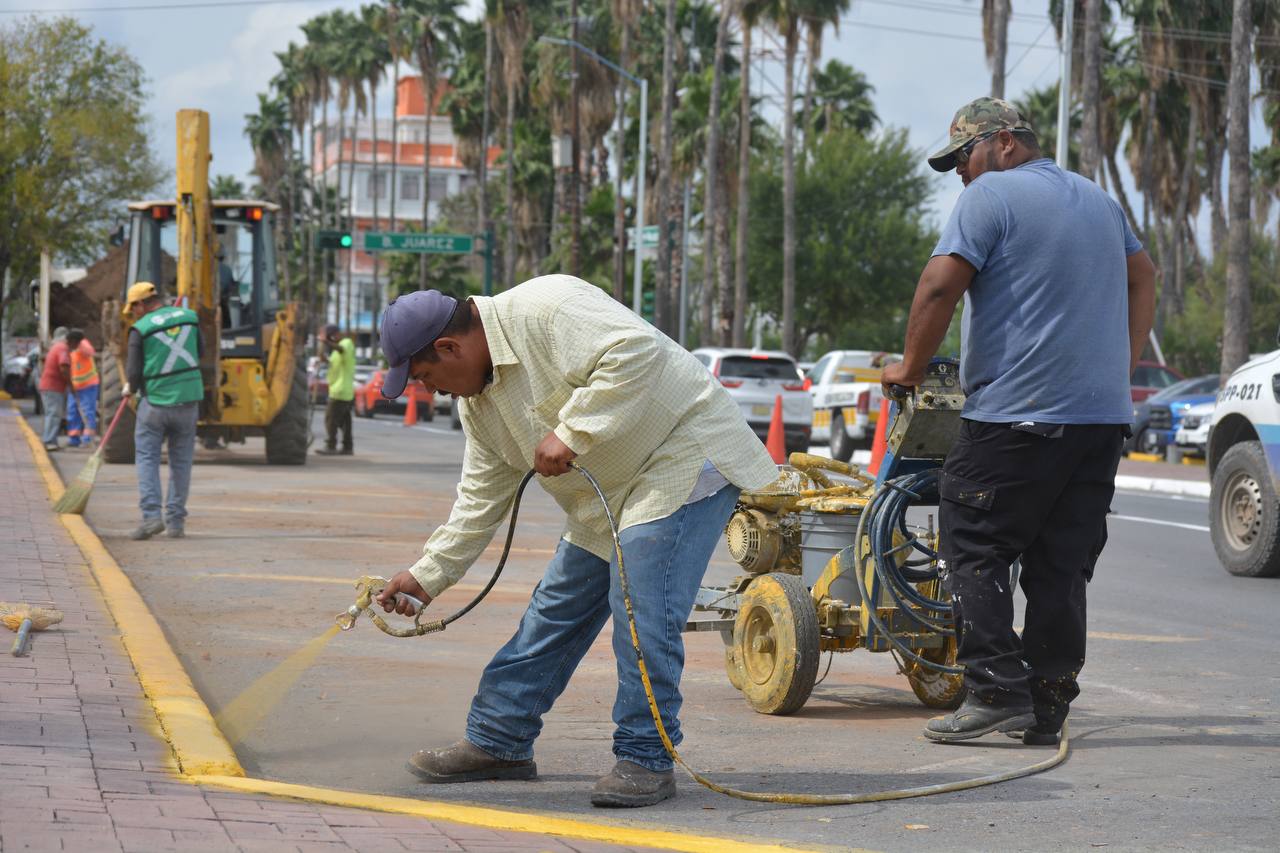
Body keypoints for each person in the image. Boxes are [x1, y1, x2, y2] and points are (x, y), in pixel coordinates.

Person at [373, 278, 778, 807]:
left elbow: (636, 350)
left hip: (682, 455)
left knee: (639, 604)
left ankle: (645, 757)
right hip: (608, 491)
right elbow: (479, 499)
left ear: (450, 348)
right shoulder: (478, 406)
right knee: (554, 611)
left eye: (426, 377)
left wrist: (573, 432)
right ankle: (500, 741)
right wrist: (428, 574)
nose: (431, 392)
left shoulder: (547, 306)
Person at [880, 97, 1157, 746]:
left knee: (972, 540)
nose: (961, 176)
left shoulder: (992, 196)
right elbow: (1145, 277)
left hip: (1015, 418)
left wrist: (910, 369)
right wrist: (1125, 363)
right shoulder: (1099, 201)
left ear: (1004, 143)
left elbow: (939, 287)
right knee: (1062, 565)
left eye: (964, 159)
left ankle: (996, 690)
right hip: (1098, 422)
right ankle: (1047, 701)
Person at [123, 282, 204, 540]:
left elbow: (134, 371)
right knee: (181, 462)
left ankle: (151, 518)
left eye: (133, 308)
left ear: (140, 304)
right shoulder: (189, 318)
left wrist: (129, 388)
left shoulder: (141, 329)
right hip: (188, 402)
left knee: (147, 458)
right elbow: (200, 352)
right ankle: (176, 522)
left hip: (156, 402)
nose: (133, 314)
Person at [36, 328, 79, 451]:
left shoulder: (57, 347)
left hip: (51, 387)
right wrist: (71, 386)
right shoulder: (62, 349)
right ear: (71, 341)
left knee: (53, 414)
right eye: (76, 344)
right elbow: (64, 368)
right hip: (52, 387)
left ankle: (51, 440)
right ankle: (49, 441)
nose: (76, 347)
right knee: (54, 414)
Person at [316, 324, 356, 456]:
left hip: (340, 391)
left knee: (330, 419)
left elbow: (341, 350)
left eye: (331, 337)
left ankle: (330, 445)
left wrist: (325, 341)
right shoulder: (335, 352)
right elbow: (329, 361)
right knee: (345, 422)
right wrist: (323, 357)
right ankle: (347, 447)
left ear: (335, 335)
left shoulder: (347, 343)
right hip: (340, 390)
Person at [66, 330, 100, 448]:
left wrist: (81, 343)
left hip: (88, 385)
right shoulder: (70, 349)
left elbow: (91, 351)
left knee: (88, 412)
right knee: (72, 412)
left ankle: (87, 439)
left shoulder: (83, 345)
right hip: (75, 387)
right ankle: (74, 438)